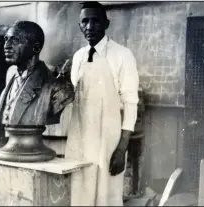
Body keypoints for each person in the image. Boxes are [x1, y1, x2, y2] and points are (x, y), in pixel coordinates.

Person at [65, 2, 139, 206]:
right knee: (80, 195)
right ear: (80, 26)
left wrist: (121, 149)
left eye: (95, 21)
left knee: (107, 197)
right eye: (85, 21)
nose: (89, 26)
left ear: (106, 24)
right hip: (80, 140)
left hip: (108, 142)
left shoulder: (122, 55)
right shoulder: (79, 57)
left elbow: (131, 103)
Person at [0, 21, 74, 132]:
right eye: (6, 39)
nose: (6, 46)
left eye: (15, 40)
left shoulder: (57, 88)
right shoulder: (12, 78)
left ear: (36, 48)